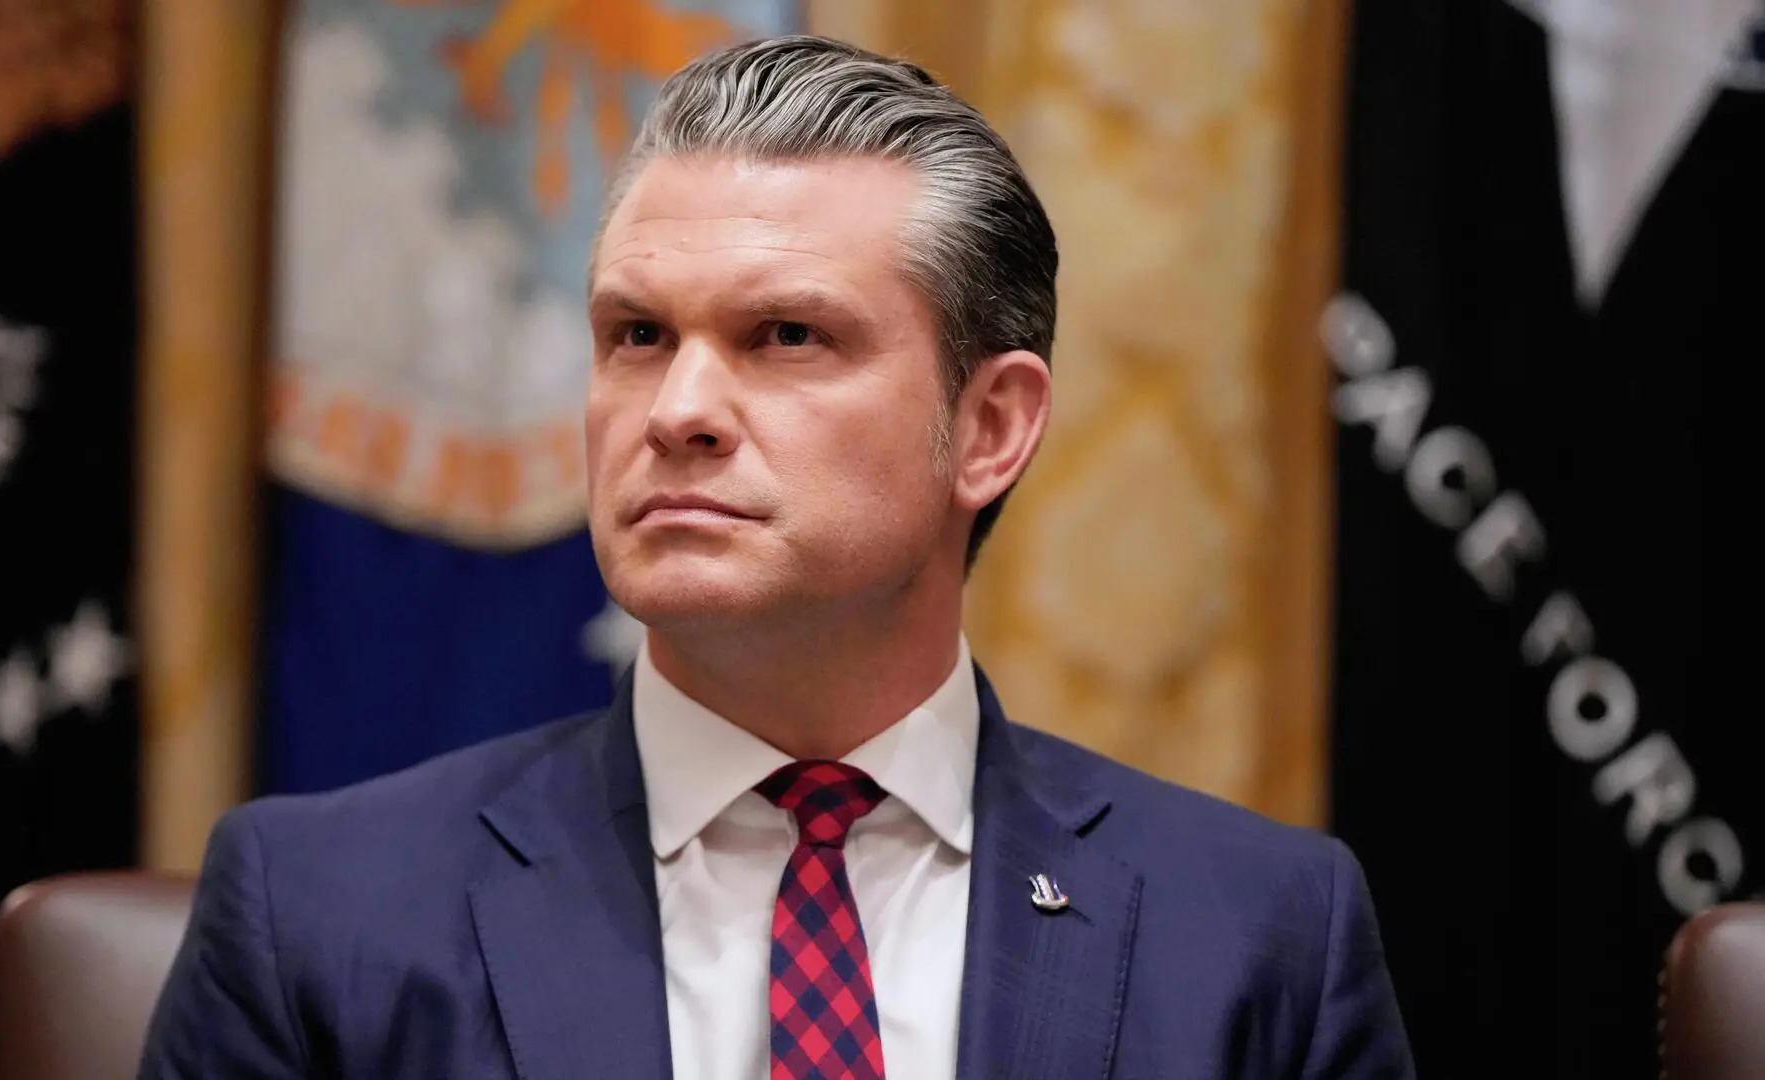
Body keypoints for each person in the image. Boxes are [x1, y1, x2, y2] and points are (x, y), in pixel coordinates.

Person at [140, 34, 1415, 1080]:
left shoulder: (1258, 938)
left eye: (788, 336)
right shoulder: (321, 918)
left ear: (989, 427)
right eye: (637, 336)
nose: (678, 410)